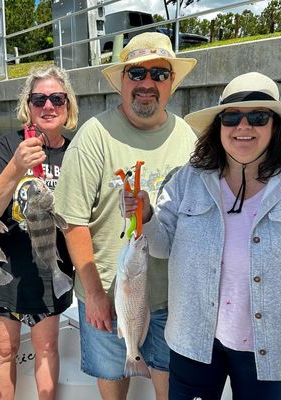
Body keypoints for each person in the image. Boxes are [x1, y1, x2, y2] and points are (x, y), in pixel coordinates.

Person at [54, 32, 197, 400]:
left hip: (172, 300)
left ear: (171, 83)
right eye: (136, 73)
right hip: (107, 297)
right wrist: (96, 293)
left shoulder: (189, 139)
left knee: (173, 392)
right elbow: (72, 221)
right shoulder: (94, 136)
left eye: (159, 73)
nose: (147, 83)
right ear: (121, 80)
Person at [123, 72, 281, 400]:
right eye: (232, 117)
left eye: (258, 117)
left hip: (270, 349)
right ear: (218, 126)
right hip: (194, 341)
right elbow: (163, 246)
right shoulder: (187, 179)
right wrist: (146, 214)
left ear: (275, 126)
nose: (243, 127)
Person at [0, 64, 78, 400]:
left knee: (48, 349)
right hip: (8, 269)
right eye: (39, 99)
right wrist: (15, 167)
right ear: (28, 105)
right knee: (2, 352)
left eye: (57, 98)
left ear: (68, 106)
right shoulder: (8, 145)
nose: (48, 106)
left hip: (51, 271)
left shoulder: (77, 150)